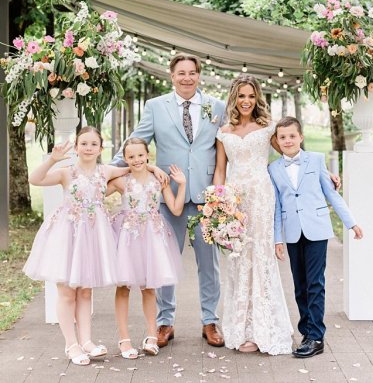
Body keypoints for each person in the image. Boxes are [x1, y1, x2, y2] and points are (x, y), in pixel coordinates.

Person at [112, 54, 226, 347]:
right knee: (163, 260)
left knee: (209, 264)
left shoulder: (217, 107)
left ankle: (210, 321)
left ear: (199, 75)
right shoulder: (155, 107)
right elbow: (136, 142)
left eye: (192, 73)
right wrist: (105, 172)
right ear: (171, 76)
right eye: (181, 73)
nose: (186, 78)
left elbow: (231, 148)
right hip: (167, 196)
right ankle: (164, 322)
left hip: (206, 197)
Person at [23, 127, 130, 366]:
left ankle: (87, 341)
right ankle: (71, 344)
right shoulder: (67, 172)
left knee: (85, 290)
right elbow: (35, 179)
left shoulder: (106, 170)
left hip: (93, 235)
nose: (89, 148)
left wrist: (152, 167)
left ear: (101, 149)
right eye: (84, 143)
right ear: (77, 146)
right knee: (67, 291)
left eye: (94, 144)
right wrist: (53, 158)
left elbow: (134, 167)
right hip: (68, 233)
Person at [269, 116, 363, 359]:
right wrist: (277, 239)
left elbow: (333, 196)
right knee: (299, 286)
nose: (287, 140)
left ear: (301, 137)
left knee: (315, 283)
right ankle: (306, 332)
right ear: (277, 142)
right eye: (282, 137)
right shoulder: (274, 169)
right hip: (291, 232)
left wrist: (351, 223)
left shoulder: (317, 160)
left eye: (292, 135)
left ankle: (316, 336)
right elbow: (277, 206)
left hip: (317, 230)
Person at [213, 74, 294, 354]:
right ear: (234, 98)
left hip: (261, 196)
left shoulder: (268, 127)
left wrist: (321, 173)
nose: (246, 101)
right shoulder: (224, 132)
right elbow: (220, 170)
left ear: (257, 98)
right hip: (235, 198)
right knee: (238, 260)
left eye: (251, 96)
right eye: (241, 96)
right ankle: (243, 329)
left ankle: (265, 328)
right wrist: (217, 203)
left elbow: (289, 153)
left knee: (260, 257)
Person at [107, 138, 186, 359]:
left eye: (140, 155)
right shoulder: (122, 181)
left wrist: (182, 184)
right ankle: (124, 339)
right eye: (131, 156)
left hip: (152, 239)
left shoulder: (158, 180)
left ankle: (152, 336)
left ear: (147, 154)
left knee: (149, 287)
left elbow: (176, 209)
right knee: (123, 287)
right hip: (128, 239)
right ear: (125, 159)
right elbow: (96, 193)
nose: (136, 160)